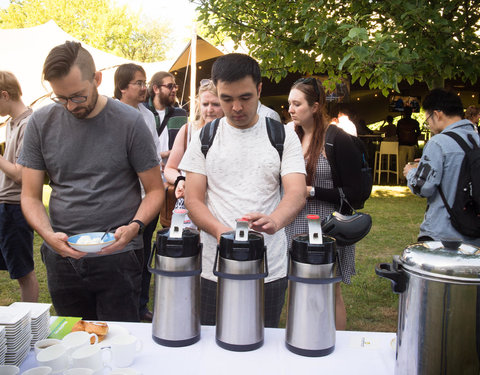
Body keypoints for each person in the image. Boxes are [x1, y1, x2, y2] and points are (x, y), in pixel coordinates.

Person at [18, 41, 164, 321]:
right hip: (63, 257)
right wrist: (48, 236)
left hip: (119, 255)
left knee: (119, 343)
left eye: (77, 96)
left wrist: (135, 227)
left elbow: (155, 190)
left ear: (97, 79)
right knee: (73, 343)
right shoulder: (40, 123)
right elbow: (30, 195)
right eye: (60, 98)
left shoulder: (130, 122)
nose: (70, 106)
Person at [179, 53, 307, 327]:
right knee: (213, 346)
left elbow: (296, 191)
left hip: (268, 267)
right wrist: (219, 232)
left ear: (259, 89)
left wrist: (276, 220)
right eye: (227, 99)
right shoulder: (205, 136)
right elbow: (193, 198)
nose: (236, 107)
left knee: (262, 342)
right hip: (215, 268)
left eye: (245, 98)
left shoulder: (282, 136)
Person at [285, 77, 362, 330]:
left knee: (330, 290)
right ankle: (300, 337)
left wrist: (312, 190)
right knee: (295, 285)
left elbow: (356, 193)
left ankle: (335, 347)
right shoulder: (289, 137)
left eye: (297, 104)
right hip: (293, 224)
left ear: (315, 107)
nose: (291, 109)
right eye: (289, 104)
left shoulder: (337, 139)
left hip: (327, 226)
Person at [114, 63, 163, 322]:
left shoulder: (147, 115)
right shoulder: (111, 115)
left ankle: (141, 306)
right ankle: (123, 307)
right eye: (139, 83)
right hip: (122, 200)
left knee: (143, 256)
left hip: (148, 198)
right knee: (123, 257)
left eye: (145, 83)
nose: (145, 88)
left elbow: (153, 155)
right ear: (122, 86)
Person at [403, 89, 480, 246]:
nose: (429, 125)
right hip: (474, 231)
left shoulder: (438, 142)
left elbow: (423, 187)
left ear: (437, 114)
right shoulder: (476, 139)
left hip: (443, 233)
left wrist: (411, 173)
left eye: (428, 120)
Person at [0, 71, 39, 302]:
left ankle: (31, 323)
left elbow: (22, 175)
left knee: (24, 272)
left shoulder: (29, 123)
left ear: (4, 95)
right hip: (4, 206)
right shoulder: (10, 124)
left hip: (16, 208)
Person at [164, 79, 223, 203]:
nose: (209, 109)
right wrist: (180, 180)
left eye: (216, 104)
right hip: (189, 203)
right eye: (205, 104)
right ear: (199, 104)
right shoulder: (188, 130)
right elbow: (169, 168)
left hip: (220, 204)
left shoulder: (232, 133)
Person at [144, 72, 188, 169]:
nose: (174, 90)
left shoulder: (181, 114)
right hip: (150, 170)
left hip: (175, 171)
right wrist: (162, 154)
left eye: (175, 86)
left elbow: (187, 145)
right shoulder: (143, 113)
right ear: (156, 89)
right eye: (170, 86)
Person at [397, 106, 421, 183]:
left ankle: (402, 179)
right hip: (410, 144)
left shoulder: (400, 122)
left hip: (403, 144)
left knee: (402, 162)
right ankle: (409, 178)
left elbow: (397, 132)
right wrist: (414, 137)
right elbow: (418, 132)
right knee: (410, 162)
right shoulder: (414, 122)